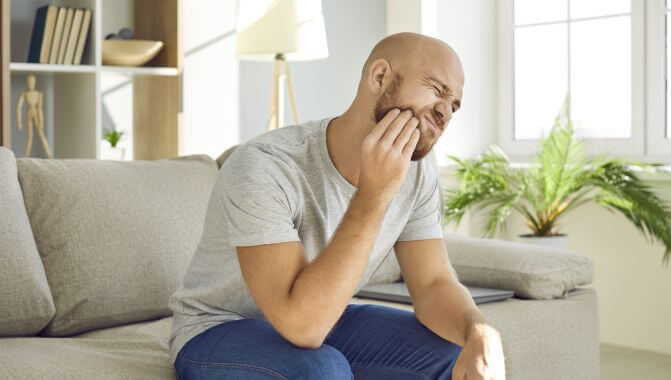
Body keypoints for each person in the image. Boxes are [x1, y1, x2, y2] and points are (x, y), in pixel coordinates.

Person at [169, 32, 506, 380]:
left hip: (326, 315)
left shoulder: (417, 170)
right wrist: (374, 195)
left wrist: (479, 332)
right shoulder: (266, 165)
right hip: (218, 330)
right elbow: (302, 327)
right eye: (437, 89)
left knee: (455, 352)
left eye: (454, 104)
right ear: (380, 77)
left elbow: (433, 282)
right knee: (322, 370)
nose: (445, 111)